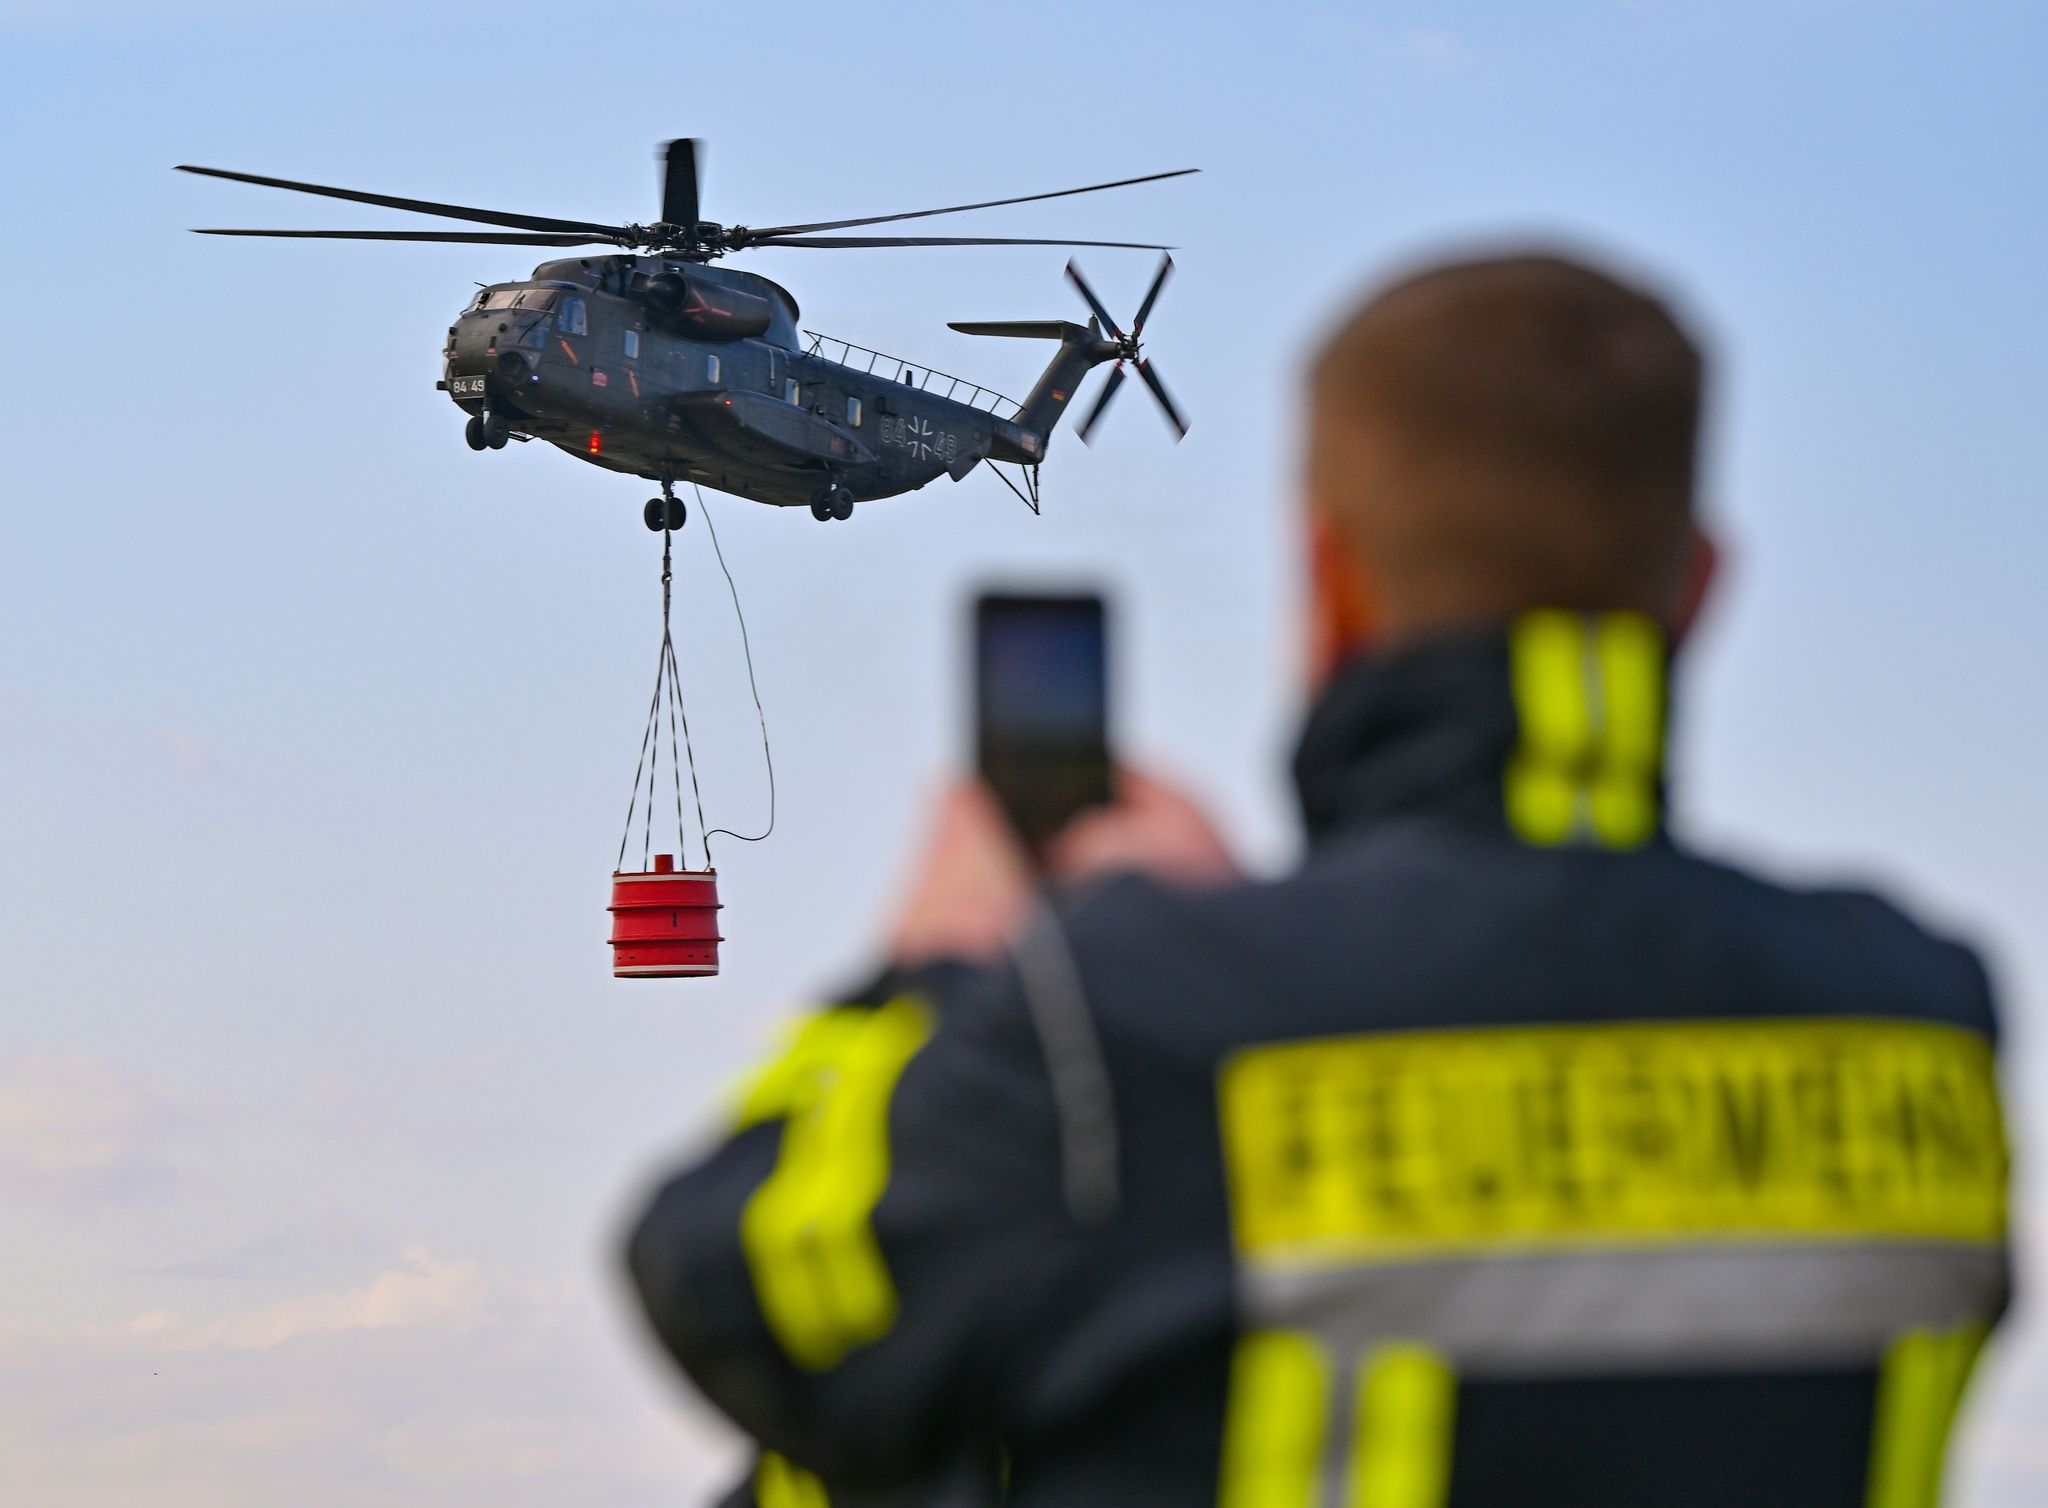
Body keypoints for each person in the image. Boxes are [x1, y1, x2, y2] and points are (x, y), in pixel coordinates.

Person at [624, 252, 2011, 1508]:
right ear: (1702, 589)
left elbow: (726, 1276)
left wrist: (951, 960)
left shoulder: (1137, 1016)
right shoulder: (1929, 1020)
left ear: (1331, 580)